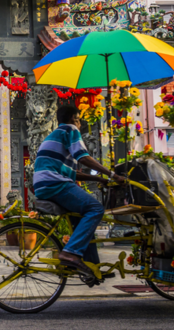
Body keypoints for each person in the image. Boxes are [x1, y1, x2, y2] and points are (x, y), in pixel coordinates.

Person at [33, 104, 126, 277]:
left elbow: (74, 173)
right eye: (79, 120)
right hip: (55, 183)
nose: (80, 124)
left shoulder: (54, 135)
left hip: (44, 184)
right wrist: (113, 175)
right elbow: (83, 157)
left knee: (83, 220)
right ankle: (71, 252)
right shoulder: (70, 130)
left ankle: (92, 268)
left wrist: (98, 178)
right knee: (96, 208)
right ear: (72, 119)